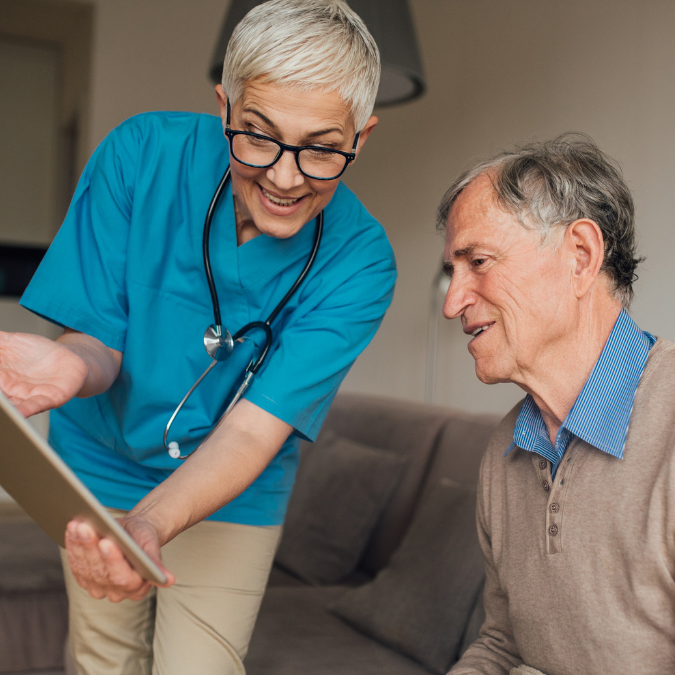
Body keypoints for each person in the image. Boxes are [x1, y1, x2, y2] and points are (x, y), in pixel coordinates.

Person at [0, 1, 396, 673]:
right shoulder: (139, 157)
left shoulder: (360, 262)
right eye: (258, 134)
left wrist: (150, 523)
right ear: (225, 108)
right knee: (103, 660)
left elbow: (250, 431)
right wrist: (68, 365)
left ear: (361, 135)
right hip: (99, 458)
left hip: (234, 488)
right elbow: (98, 340)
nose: (284, 175)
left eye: (323, 148)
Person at [438, 134, 675, 674]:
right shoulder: (505, 451)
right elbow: (503, 646)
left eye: (478, 261)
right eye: (454, 271)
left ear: (580, 256)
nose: (453, 302)